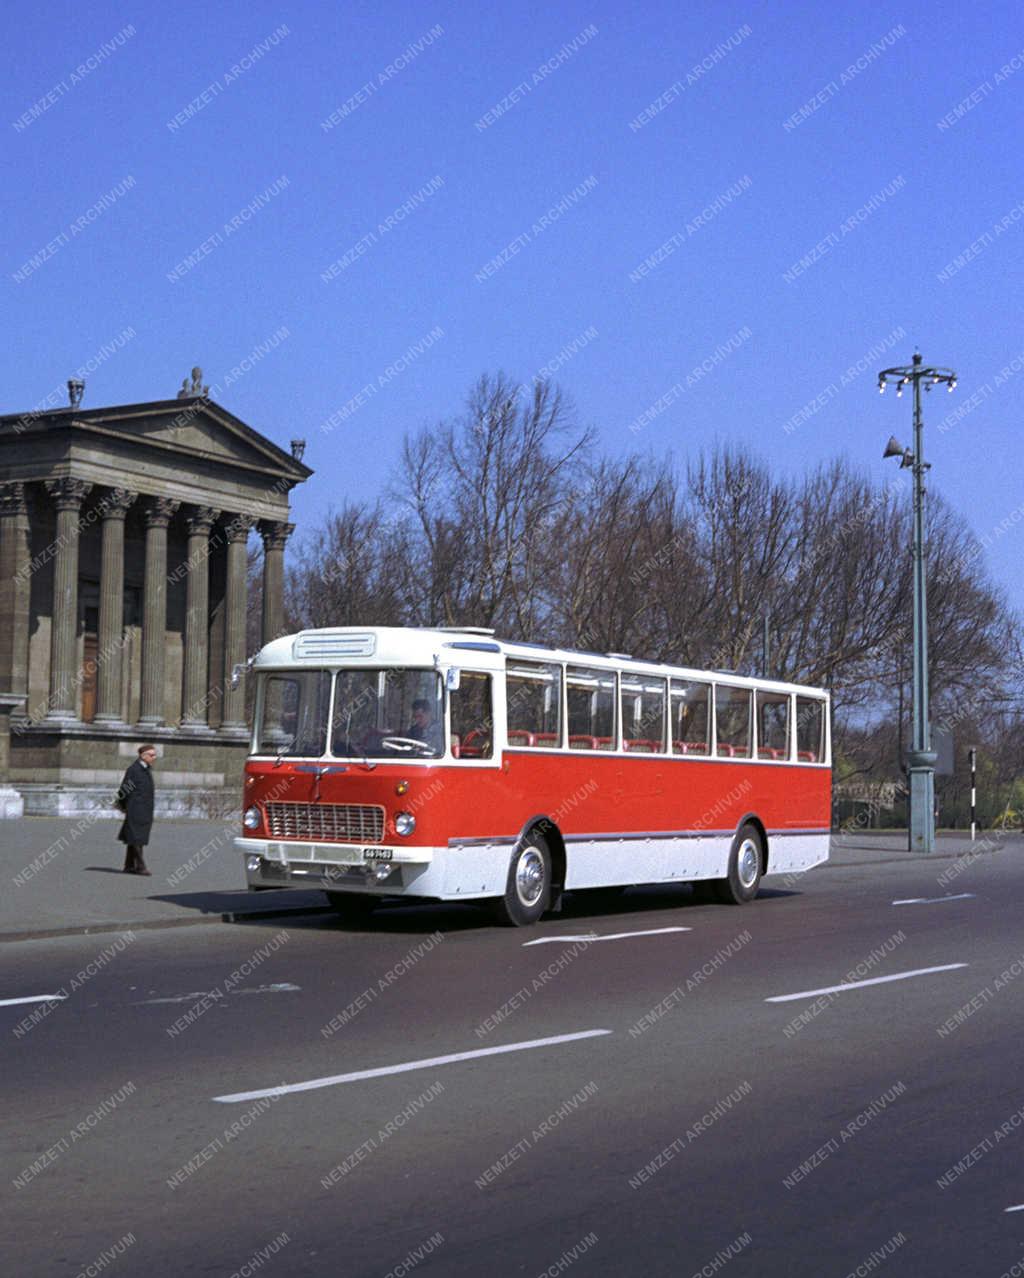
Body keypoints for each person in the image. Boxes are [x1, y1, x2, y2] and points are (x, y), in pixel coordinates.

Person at [116, 744, 157, 875]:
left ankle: (129, 865)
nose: (154, 757)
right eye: (151, 755)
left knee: (135, 837)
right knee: (136, 838)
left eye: (154, 755)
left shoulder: (145, 769)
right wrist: (123, 806)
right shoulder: (134, 770)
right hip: (135, 809)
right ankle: (140, 866)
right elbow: (124, 790)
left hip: (144, 809)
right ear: (143, 756)